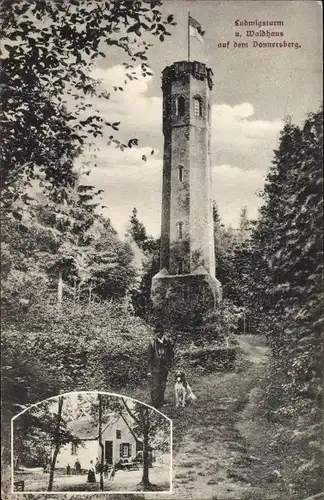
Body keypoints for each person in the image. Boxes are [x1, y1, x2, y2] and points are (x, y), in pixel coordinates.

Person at [147, 326, 174, 408]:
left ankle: (162, 402)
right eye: (157, 332)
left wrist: (169, 365)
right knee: (155, 386)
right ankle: (155, 404)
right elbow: (149, 358)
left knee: (163, 385)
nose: (159, 333)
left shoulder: (167, 342)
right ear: (155, 333)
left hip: (164, 368)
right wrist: (149, 370)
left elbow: (171, 354)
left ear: (163, 332)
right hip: (155, 368)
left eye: (160, 331)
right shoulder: (152, 343)